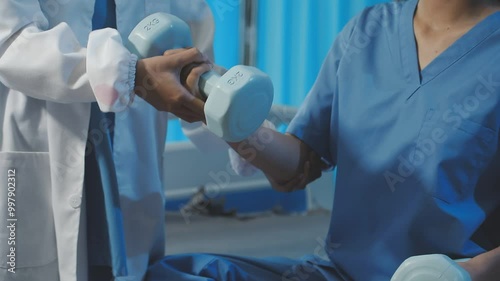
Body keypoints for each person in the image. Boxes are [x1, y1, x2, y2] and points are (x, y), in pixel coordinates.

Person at [147, 0, 500, 280]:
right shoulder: (368, 31)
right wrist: (241, 129)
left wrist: (471, 273)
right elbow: (299, 166)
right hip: (341, 272)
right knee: (176, 274)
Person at [0, 0, 214, 281]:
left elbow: (194, 51)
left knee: (122, 265)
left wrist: (230, 121)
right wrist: (132, 75)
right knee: (30, 261)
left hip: (130, 147)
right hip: (43, 137)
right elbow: (11, 44)